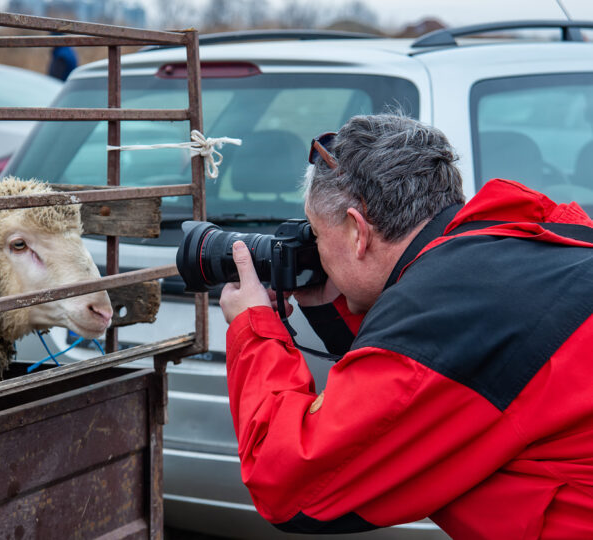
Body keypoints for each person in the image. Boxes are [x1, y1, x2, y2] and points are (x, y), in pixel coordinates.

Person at [219, 113, 593, 538]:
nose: (318, 254)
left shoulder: (447, 309)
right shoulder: (525, 240)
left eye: (319, 238)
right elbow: (419, 398)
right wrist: (338, 308)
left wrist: (254, 329)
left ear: (358, 233)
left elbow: (293, 485)